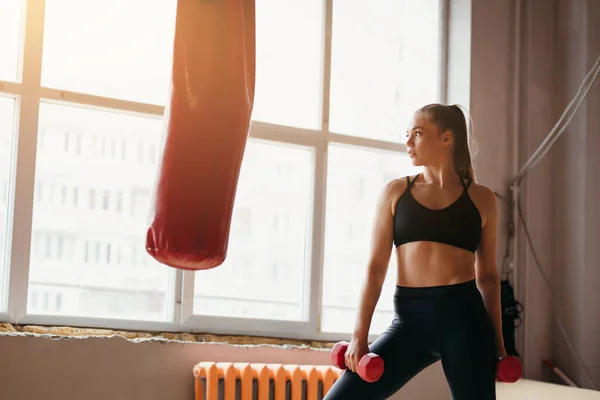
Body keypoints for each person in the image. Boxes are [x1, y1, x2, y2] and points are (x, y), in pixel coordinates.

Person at [323, 103, 506, 400]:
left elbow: (487, 277)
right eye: (407, 134)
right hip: (410, 322)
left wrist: (499, 345)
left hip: (467, 323)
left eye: (418, 134)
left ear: (446, 139)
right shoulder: (396, 192)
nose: (408, 142)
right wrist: (359, 337)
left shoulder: (482, 198)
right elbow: (375, 269)